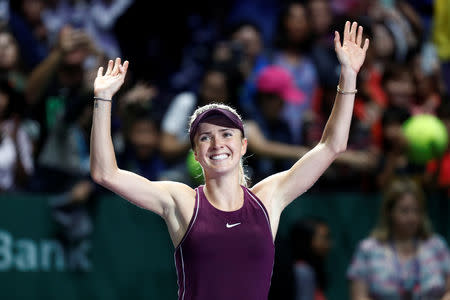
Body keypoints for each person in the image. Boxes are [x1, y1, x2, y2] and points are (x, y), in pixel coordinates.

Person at [90, 21, 369, 299]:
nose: (217, 143)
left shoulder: (268, 198)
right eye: (205, 137)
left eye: (226, 134)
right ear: (196, 153)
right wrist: (103, 99)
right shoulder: (182, 200)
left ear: (243, 145)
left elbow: (332, 145)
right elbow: (105, 173)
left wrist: (348, 74)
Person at [347, 177, 450, 300]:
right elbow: (359, 296)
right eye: (404, 211)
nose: (412, 217)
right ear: (389, 212)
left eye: (416, 210)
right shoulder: (368, 249)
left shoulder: (436, 245)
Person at [290, 217, 331, 300]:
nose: (328, 244)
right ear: (305, 240)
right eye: (324, 238)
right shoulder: (302, 271)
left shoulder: (308, 270)